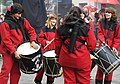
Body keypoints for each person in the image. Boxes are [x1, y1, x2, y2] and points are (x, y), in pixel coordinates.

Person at [55, 6, 96, 84]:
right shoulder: (85, 28)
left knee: (69, 81)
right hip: (82, 58)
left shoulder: (61, 28)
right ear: (80, 15)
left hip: (66, 57)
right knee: (83, 81)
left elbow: (57, 44)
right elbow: (92, 45)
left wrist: (58, 55)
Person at [0, 3, 38, 84]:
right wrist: (14, 51)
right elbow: (6, 40)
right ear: (12, 13)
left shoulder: (23, 20)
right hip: (8, 52)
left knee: (16, 72)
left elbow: (31, 31)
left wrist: (33, 41)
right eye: (17, 13)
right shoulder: (4, 24)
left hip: (19, 50)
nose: (19, 15)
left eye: (20, 13)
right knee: (5, 72)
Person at [95, 7, 120, 84]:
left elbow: (117, 37)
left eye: (109, 13)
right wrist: (103, 41)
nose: (107, 14)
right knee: (100, 68)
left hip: (112, 47)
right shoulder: (101, 22)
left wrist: (115, 47)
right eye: (106, 12)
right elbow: (99, 32)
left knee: (110, 69)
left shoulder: (117, 24)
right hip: (102, 46)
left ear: (112, 14)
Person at [34, 13, 57, 84]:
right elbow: (40, 38)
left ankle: (50, 81)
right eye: (53, 22)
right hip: (45, 50)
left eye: (55, 22)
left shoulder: (56, 30)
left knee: (51, 66)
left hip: (53, 51)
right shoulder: (44, 29)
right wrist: (45, 42)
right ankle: (38, 80)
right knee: (42, 67)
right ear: (49, 21)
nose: (54, 23)